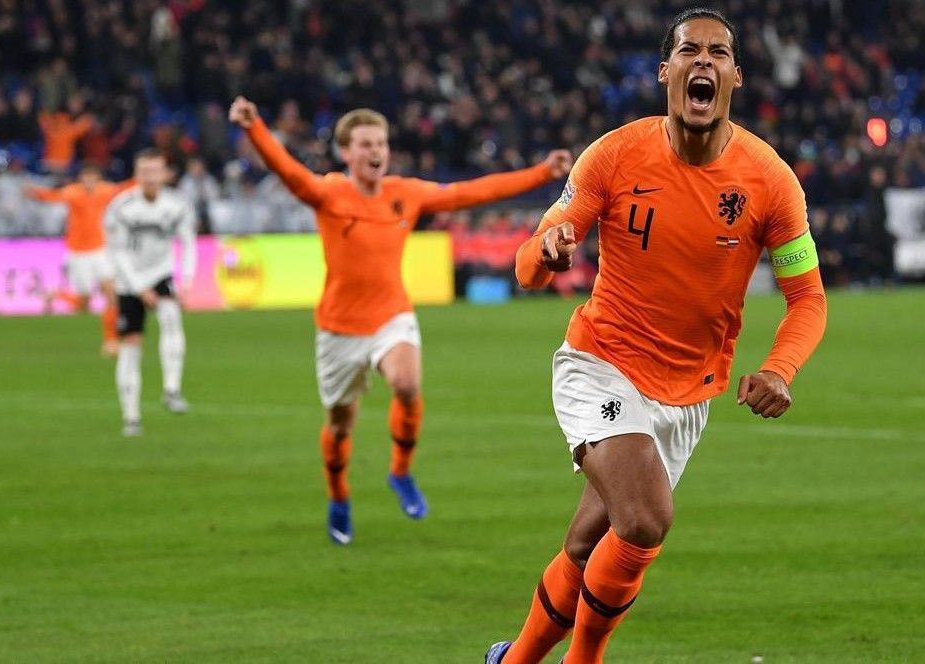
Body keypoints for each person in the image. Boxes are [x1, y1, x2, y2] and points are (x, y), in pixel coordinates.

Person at [486, 9, 828, 663]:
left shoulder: (770, 181)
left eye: (719, 53)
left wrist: (780, 368)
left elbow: (807, 298)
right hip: (600, 362)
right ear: (665, 71)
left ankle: (513, 660)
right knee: (645, 518)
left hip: (687, 393)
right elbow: (530, 263)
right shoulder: (615, 155)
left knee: (588, 545)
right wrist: (546, 252)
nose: (704, 61)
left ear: (735, 76)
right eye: (690, 50)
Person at [228, 96, 572, 545]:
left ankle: (400, 471)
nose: (376, 151)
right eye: (365, 144)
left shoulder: (403, 193)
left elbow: (468, 192)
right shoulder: (329, 193)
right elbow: (288, 171)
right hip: (339, 329)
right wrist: (254, 127)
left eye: (381, 143)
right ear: (346, 152)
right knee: (340, 425)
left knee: (407, 384)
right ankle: (338, 495)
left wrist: (541, 173)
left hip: (391, 314)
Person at [104, 149, 197, 437]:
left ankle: (172, 389)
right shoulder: (121, 207)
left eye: (155, 171)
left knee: (171, 317)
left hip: (161, 273)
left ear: (165, 174)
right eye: (144, 171)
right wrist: (138, 287)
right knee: (131, 344)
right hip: (129, 280)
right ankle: (131, 417)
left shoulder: (177, 205)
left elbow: (188, 242)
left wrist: (187, 280)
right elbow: (116, 251)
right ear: (136, 173)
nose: (150, 177)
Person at [22, 162, 135, 355]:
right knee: (83, 303)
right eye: (86, 176)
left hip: (100, 249)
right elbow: (53, 196)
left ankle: (111, 340)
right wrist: (36, 193)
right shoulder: (72, 192)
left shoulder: (105, 191)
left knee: (111, 294)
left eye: (92, 176)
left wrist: (141, 180)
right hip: (78, 253)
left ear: (98, 178)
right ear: (81, 178)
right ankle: (57, 295)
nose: (89, 180)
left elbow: (123, 189)